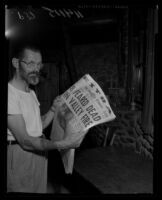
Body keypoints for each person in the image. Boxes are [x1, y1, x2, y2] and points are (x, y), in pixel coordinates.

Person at [7, 43, 84, 193]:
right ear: (16, 63)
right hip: (21, 155)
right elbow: (26, 140)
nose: (36, 69)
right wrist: (62, 143)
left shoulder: (31, 92)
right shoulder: (10, 94)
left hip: (39, 154)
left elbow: (37, 126)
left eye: (39, 64)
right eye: (30, 63)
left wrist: (53, 109)